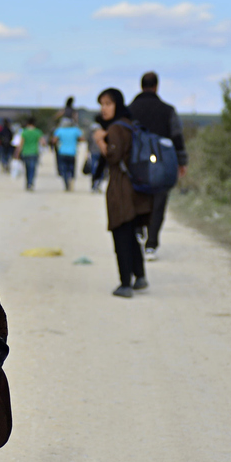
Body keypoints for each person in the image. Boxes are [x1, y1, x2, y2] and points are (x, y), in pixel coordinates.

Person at [94, 88, 152, 297]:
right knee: (130, 233)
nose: (104, 108)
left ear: (117, 104)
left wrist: (100, 140)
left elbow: (112, 157)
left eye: (108, 103)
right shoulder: (130, 124)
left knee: (121, 235)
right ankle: (140, 276)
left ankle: (125, 283)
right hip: (135, 188)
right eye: (102, 104)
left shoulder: (116, 129)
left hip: (121, 188)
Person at [128, 71, 188, 261]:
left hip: (136, 163)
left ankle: (138, 231)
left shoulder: (130, 110)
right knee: (159, 201)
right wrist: (181, 162)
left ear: (141, 85)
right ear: (156, 86)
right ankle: (151, 244)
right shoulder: (168, 110)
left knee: (137, 197)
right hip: (162, 162)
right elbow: (177, 136)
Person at [52, 117, 83, 191]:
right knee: (72, 168)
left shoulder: (59, 130)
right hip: (72, 152)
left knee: (64, 169)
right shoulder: (75, 130)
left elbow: (54, 140)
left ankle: (66, 183)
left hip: (62, 152)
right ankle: (71, 182)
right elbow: (82, 139)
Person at [17, 117, 45, 191]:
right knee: (33, 169)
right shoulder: (38, 132)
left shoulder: (24, 132)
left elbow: (21, 144)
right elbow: (43, 142)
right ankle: (31, 183)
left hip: (25, 152)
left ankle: (28, 183)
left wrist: (17, 153)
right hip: (34, 152)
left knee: (27, 169)